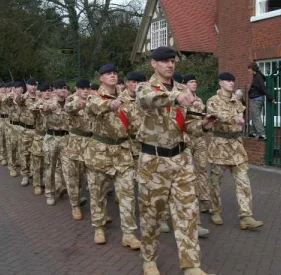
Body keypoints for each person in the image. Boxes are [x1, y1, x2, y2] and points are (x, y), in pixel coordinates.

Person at [136, 46, 216, 275]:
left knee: (188, 213)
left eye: (172, 61)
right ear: (154, 64)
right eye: (164, 61)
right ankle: (149, 259)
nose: (170, 65)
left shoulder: (183, 89)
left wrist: (202, 125)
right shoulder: (144, 88)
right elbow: (149, 100)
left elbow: (187, 124)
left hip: (181, 160)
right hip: (154, 162)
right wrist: (176, 97)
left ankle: (191, 264)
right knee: (152, 215)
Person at [84, 64, 140, 249]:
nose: (112, 76)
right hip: (100, 153)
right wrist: (110, 104)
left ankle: (129, 234)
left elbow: (136, 123)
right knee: (98, 193)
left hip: (123, 152)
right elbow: (96, 106)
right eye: (108, 73)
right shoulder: (94, 96)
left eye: (115, 73)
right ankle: (99, 227)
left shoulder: (127, 98)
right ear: (101, 78)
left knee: (127, 195)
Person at [207, 72, 263, 230]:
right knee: (215, 182)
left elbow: (241, 118)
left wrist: (238, 118)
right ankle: (215, 211)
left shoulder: (237, 102)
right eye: (227, 80)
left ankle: (246, 216)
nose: (231, 83)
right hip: (220, 145)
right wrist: (235, 118)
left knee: (243, 181)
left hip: (236, 146)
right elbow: (216, 115)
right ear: (220, 83)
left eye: (232, 80)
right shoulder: (213, 101)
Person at [183, 74, 211, 237]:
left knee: (201, 169)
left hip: (199, 138)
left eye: (195, 81)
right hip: (186, 138)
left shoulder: (200, 100)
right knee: (188, 174)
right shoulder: (182, 100)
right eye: (191, 82)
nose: (194, 84)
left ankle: (204, 200)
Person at [62, 78, 92, 220]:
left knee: (92, 178)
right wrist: (78, 105)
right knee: (74, 177)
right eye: (83, 89)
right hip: (75, 144)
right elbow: (68, 108)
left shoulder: (94, 99)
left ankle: (98, 210)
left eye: (87, 88)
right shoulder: (71, 100)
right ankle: (75, 205)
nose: (86, 91)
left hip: (92, 143)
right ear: (77, 89)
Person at [40, 79, 69, 206]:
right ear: (55, 90)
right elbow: (42, 108)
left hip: (66, 138)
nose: (63, 89)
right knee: (50, 167)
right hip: (51, 138)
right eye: (60, 88)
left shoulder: (69, 103)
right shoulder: (49, 102)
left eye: (64, 87)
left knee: (68, 167)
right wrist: (47, 107)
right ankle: (50, 193)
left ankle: (69, 192)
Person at [248, 62, 274, 140]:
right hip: (256, 99)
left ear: (253, 69)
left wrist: (270, 98)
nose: (248, 71)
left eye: (249, 69)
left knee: (256, 116)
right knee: (255, 115)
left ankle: (262, 134)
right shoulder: (256, 76)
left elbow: (263, 88)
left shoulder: (258, 77)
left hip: (256, 99)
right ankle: (253, 132)